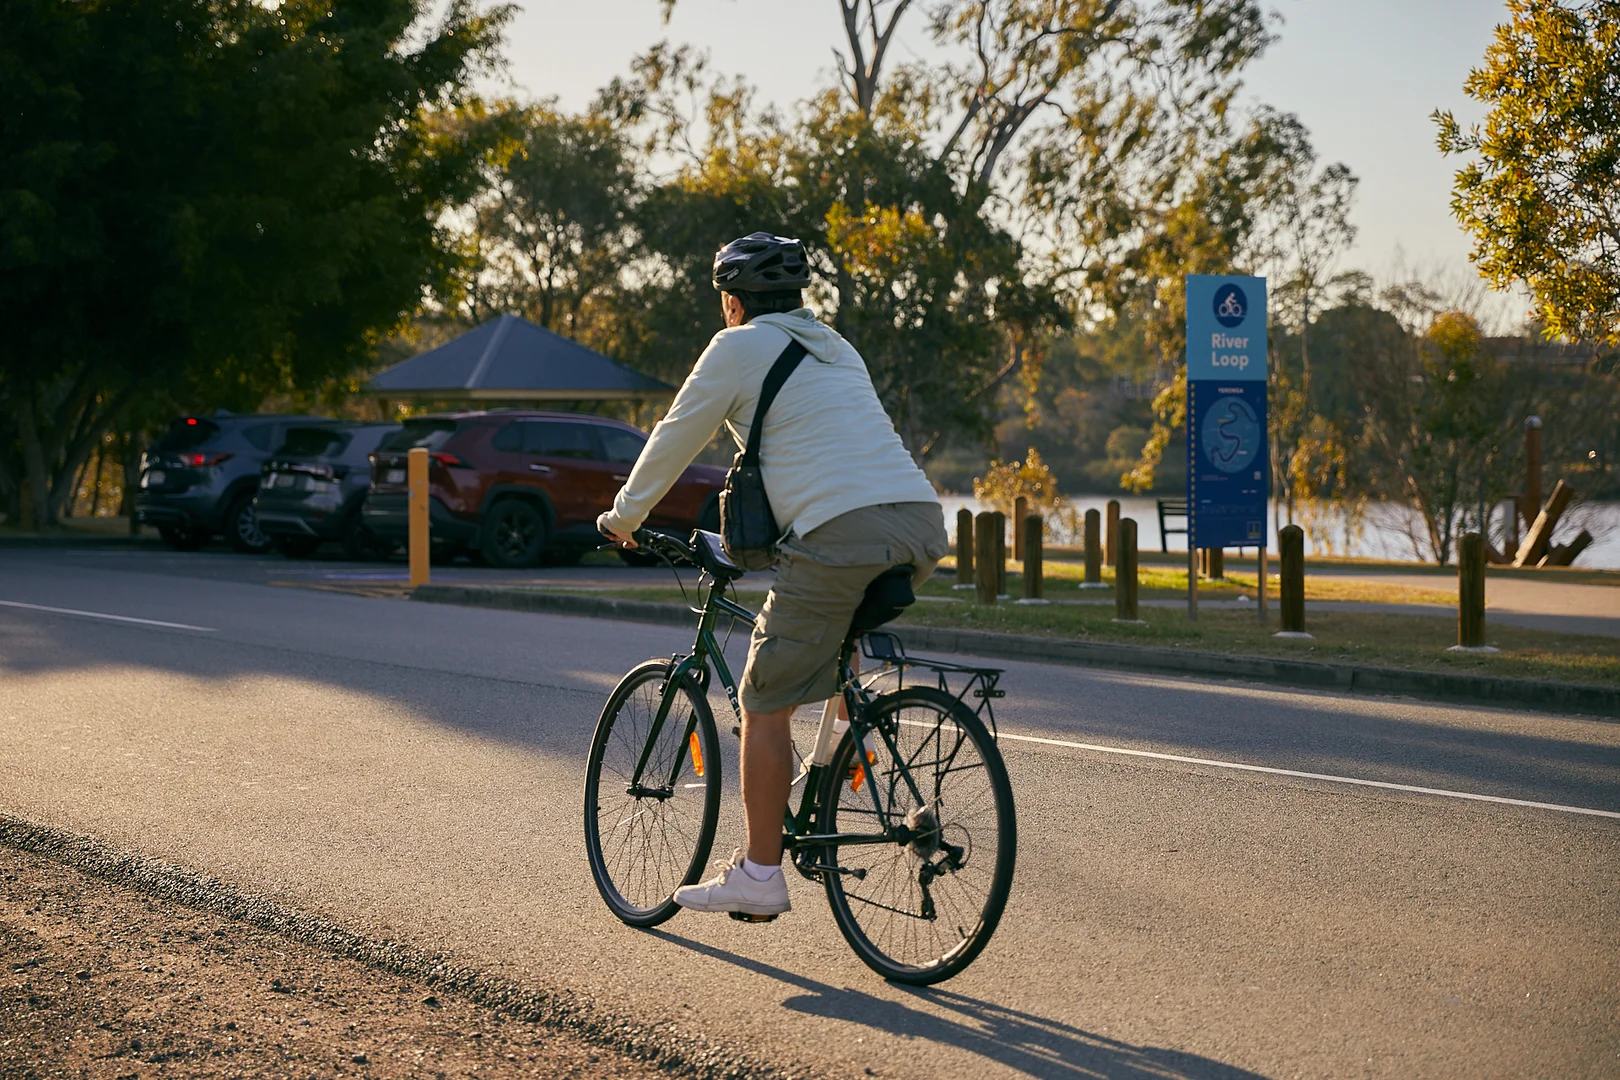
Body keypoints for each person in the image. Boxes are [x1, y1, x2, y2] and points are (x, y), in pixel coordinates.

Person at [597, 232, 947, 919]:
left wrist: (623, 517)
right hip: (919, 523)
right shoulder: (838, 346)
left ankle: (760, 875)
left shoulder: (735, 347)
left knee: (762, 702)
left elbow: (675, 435)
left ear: (733, 301)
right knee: (833, 642)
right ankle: (848, 747)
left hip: (838, 533)